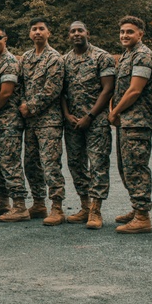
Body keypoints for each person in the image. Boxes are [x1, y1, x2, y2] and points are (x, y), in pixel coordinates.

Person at [61, 21, 115, 229]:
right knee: (75, 163)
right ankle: (84, 205)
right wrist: (67, 114)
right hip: (73, 121)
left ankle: (96, 210)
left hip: (96, 121)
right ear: (69, 35)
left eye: (80, 30)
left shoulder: (102, 57)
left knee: (98, 164)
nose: (76, 34)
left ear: (87, 33)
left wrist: (90, 116)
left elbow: (107, 89)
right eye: (72, 31)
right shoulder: (64, 60)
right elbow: (62, 91)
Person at [109, 16, 152, 234]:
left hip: (137, 122)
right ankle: (136, 207)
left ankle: (142, 217)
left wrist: (115, 111)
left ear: (140, 34)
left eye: (130, 31)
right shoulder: (127, 55)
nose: (125, 35)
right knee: (126, 168)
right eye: (122, 32)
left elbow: (135, 90)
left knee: (137, 168)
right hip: (126, 123)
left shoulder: (143, 56)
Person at [18, 18, 66, 225]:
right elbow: (20, 84)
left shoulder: (55, 58)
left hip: (49, 121)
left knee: (50, 164)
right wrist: (22, 103)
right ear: (30, 33)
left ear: (49, 33)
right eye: (34, 29)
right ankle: (38, 203)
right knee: (31, 164)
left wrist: (30, 106)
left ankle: (57, 206)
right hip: (30, 122)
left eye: (41, 29)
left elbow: (52, 89)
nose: (37, 32)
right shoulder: (26, 58)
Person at [0, 24, 29, 223]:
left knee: (10, 162)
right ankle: (3, 200)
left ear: (5, 39)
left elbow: (6, 92)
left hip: (8, 121)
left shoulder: (9, 61)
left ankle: (19, 205)